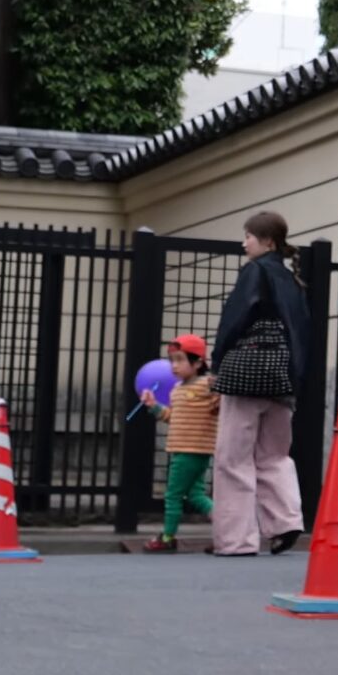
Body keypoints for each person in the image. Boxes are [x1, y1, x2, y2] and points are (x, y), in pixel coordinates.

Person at [211, 210, 310, 559]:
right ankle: (285, 521)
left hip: (246, 376)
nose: (244, 243)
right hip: (282, 377)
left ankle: (236, 540)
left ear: (267, 241)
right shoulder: (292, 279)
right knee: (275, 455)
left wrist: (217, 362)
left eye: (248, 237)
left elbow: (234, 318)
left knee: (233, 458)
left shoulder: (254, 271)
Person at [139, 334, 219, 554]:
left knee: (173, 495)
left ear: (198, 363)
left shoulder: (207, 384)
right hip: (186, 450)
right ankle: (226, 531)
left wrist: (218, 388)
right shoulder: (176, 389)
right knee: (196, 495)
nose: (174, 366)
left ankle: (167, 537)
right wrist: (154, 405)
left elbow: (220, 404)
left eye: (180, 359)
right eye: (172, 360)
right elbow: (171, 417)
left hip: (190, 450)